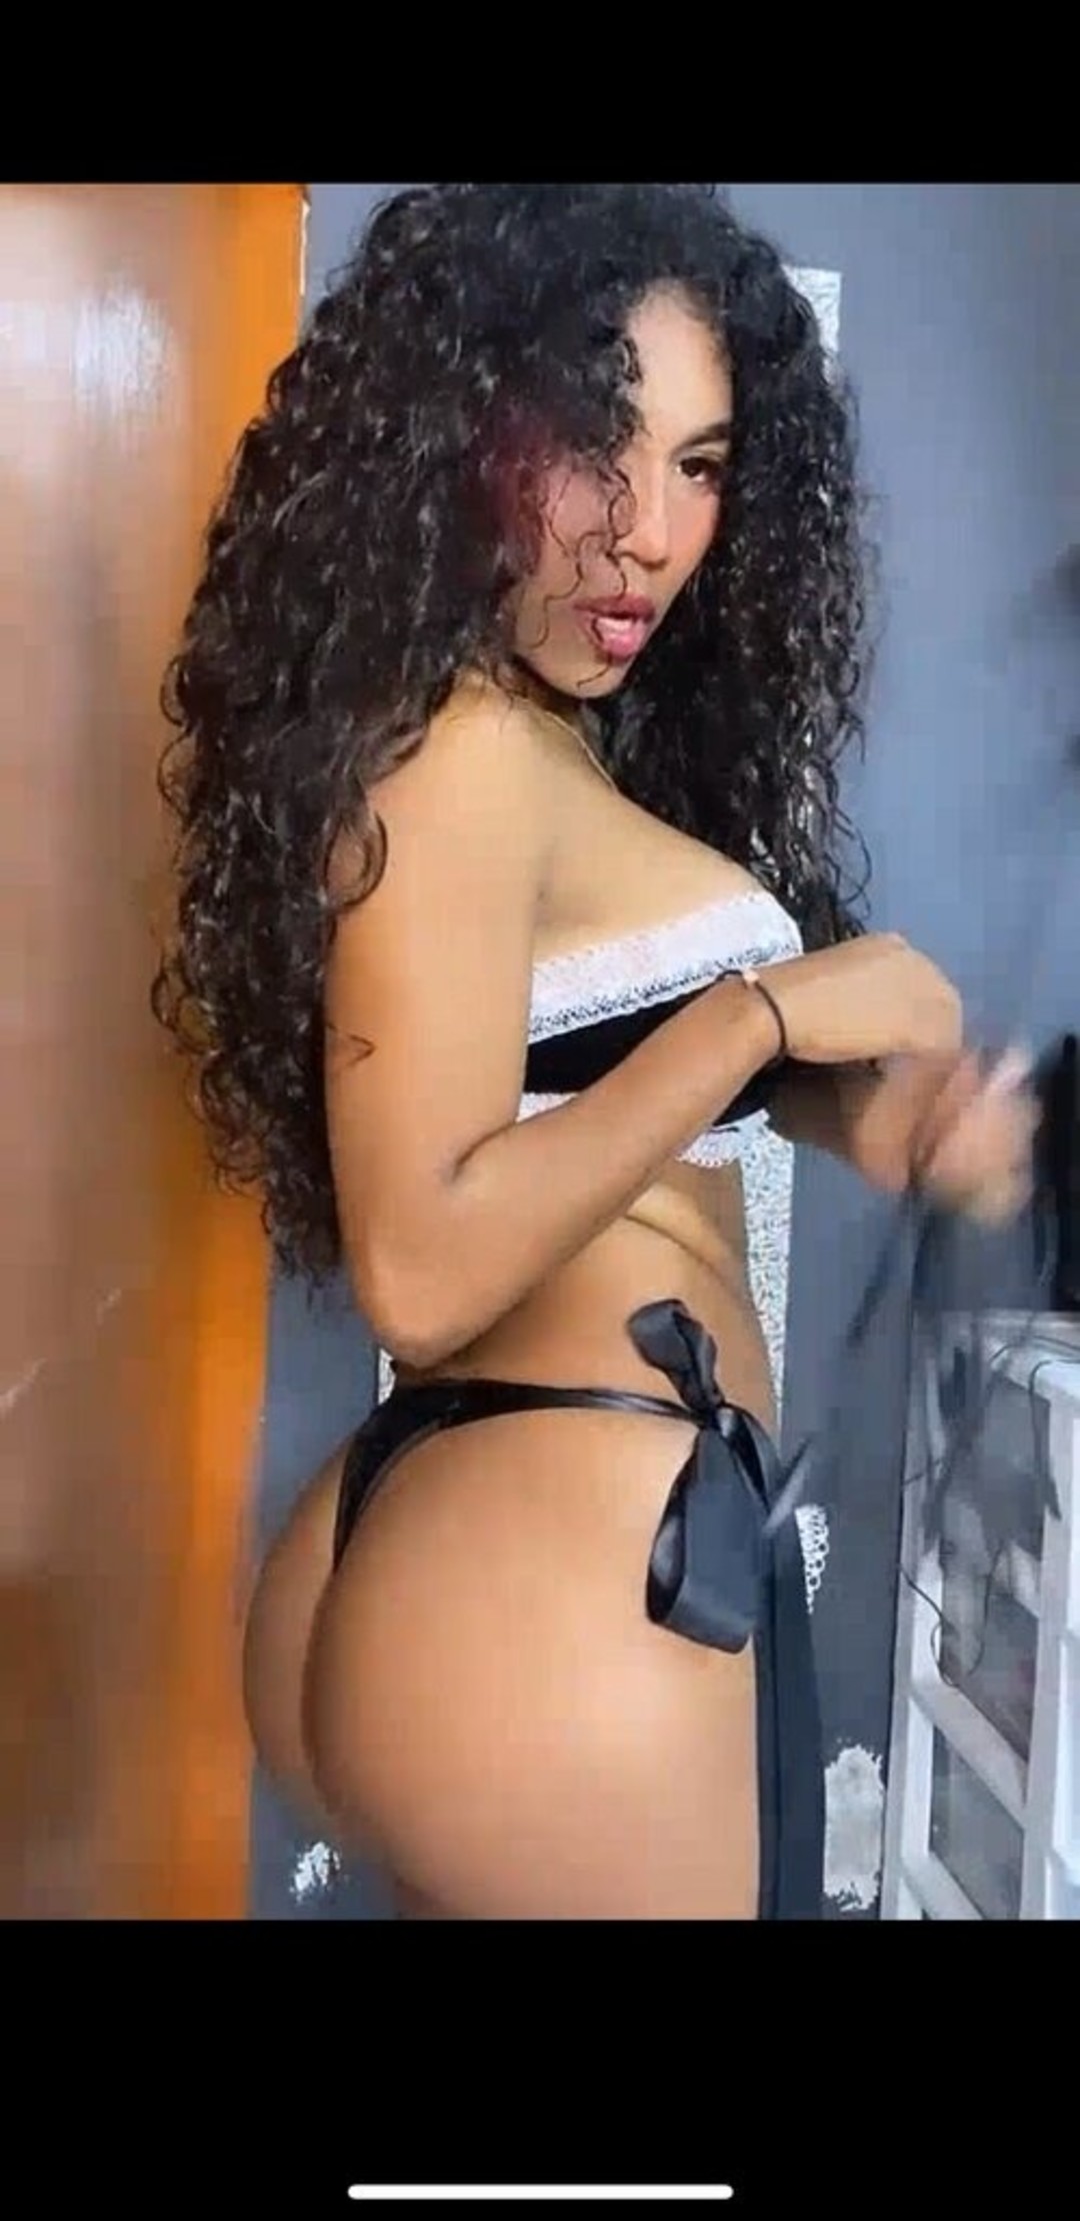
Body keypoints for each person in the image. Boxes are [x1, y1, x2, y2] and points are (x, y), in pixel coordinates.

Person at [153, 182, 1038, 1920]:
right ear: (462, 431)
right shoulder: (457, 752)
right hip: (565, 1564)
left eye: (699, 466)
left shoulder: (535, 741)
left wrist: (869, 1115)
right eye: (594, 448)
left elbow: (584, 1081)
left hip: (509, 1535)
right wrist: (763, 1012)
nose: (646, 534)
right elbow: (420, 1267)